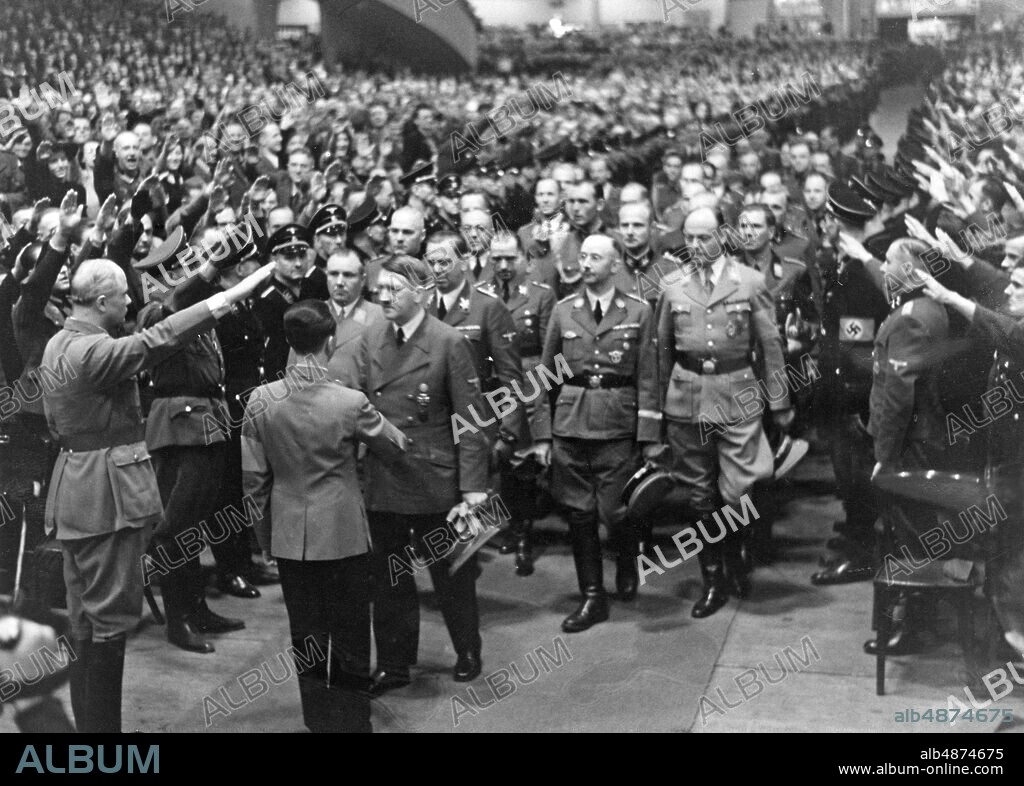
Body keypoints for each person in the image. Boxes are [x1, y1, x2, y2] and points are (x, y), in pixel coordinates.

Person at [41, 255, 272, 732]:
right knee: (109, 623)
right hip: (105, 497)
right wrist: (224, 299)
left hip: (76, 490)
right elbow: (158, 339)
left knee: (86, 620)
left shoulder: (60, 343)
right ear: (102, 301)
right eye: (124, 294)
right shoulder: (93, 352)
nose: (130, 300)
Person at [242, 299, 406, 733]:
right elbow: (396, 447)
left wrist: (266, 541)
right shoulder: (350, 403)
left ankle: (318, 720)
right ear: (329, 341)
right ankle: (353, 723)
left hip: (291, 537)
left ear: (289, 342)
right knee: (351, 633)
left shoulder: (260, 401)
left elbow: (253, 483)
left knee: (307, 637)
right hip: (345, 536)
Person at [355, 255, 490, 692]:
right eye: (381, 287)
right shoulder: (372, 334)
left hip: (432, 478)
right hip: (383, 475)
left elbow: (470, 419)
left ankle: (468, 649)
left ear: (424, 293)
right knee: (388, 577)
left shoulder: (448, 341)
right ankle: (394, 664)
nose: (384, 295)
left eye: (395, 289)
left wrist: (472, 488)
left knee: (451, 573)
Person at [654, 207, 792, 618]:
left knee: (738, 491)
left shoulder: (748, 282)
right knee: (699, 495)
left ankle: (738, 554)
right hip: (687, 397)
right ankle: (713, 578)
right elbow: (660, 352)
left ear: (723, 236)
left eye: (704, 237)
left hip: (738, 394)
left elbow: (770, 346)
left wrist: (779, 402)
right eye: (689, 239)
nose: (695, 246)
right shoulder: (672, 285)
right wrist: (657, 412)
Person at [533, 234, 660, 631]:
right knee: (579, 514)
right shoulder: (564, 310)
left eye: (595, 257)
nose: (585, 264)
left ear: (615, 264)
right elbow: (544, 375)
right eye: (583, 256)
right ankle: (593, 597)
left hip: (618, 424)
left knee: (615, 511)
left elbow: (649, 376)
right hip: (570, 422)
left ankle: (626, 559)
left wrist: (649, 436)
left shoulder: (638, 311)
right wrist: (541, 434)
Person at [135, 235, 252, 653]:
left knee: (196, 523)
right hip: (179, 424)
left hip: (206, 419)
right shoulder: (155, 311)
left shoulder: (195, 309)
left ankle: (197, 608)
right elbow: (173, 308)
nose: (195, 273)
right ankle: (178, 619)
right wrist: (207, 274)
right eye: (183, 268)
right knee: (176, 527)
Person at [479, 231, 555, 574]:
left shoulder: (541, 296)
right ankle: (507, 523)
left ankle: (525, 533)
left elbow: (549, 354)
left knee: (523, 463)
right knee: (498, 455)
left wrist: (536, 399)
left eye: (511, 258)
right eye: (497, 259)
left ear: (526, 259)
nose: (504, 265)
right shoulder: (479, 294)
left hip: (527, 379)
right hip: (490, 384)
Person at [288, 249, 383, 387]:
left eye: (348, 275)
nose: (339, 282)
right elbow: (292, 376)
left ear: (362, 280)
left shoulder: (379, 317)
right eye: (333, 274)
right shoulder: (308, 315)